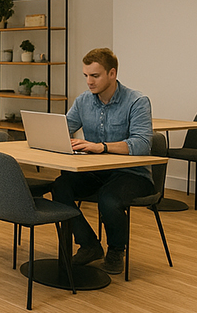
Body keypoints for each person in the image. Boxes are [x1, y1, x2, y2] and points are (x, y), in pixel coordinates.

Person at [52, 47, 154, 275]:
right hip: (96, 172)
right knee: (61, 186)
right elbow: (63, 129)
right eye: (86, 76)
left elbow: (142, 144)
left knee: (109, 198)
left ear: (112, 73)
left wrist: (102, 147)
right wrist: (52, 137)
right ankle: (88, 245)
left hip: (133, 174)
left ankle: (116, 250)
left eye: (95, 76)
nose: (89, 81)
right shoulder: (83, 101)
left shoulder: (137, 101)